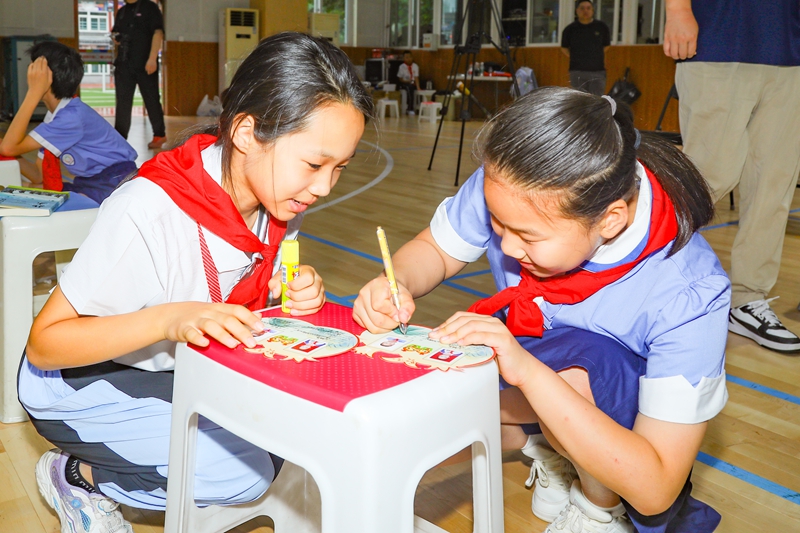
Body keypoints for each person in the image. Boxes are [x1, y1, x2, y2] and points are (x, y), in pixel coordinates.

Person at [19, 32, 373, 533]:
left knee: (302, 434)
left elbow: (249, 283)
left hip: (171, 368)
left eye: (339, 168)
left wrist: (292, 289)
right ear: (247, 132)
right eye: (314, 164)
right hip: (73, 379)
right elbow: (45, 345)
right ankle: (78, 475)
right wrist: (170, 318)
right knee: (242, 471)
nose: (323, 187)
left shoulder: (274, 198)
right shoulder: (149, 208)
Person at [354, 87, 729, 533]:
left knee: (580, 368)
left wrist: (527, 371)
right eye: (497, 223)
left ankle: (598, 507)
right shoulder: (518, 187)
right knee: (421, 409)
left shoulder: (690, 291)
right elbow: (436, 249)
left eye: (528, 238)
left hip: (612, 417)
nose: (507, 246)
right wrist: (395, 282)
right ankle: (553, 447)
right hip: (529, 361)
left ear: (610, 220)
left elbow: (656, 487)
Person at [663, 0, 800, 354]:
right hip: (717, 41)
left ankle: (747, 300)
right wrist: (677, 10)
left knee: (774, 186)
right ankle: (644, 279)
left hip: (789, 50)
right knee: (705, 179)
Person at [0, 42, 138, 203]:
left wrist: (34, 93)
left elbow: (9, 148)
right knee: (26, 188)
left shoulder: (71, 117)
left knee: (44, 199)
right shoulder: (57, 114)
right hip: (92, 180)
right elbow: (38, 175)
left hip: (115, 181)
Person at [112, 0, 167, 149]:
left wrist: (152, 58)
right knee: (123, 102)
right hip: (124, 64)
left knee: (151, 99)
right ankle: (120, 138)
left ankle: (159, 134)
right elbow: (116, 35)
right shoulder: (122, 11)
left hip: (145, 64)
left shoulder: (150, 7)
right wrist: (116, 39)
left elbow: (158, 32)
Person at [561, 0, 611, 96]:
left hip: (598, 71)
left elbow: (606, 46)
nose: (585, 11)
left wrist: (594, 54)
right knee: (579, 102)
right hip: (577, 72)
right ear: (577, 11)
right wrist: (576, 56)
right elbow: (564, 48)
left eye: (588, 8)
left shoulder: (602, 27)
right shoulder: (570, 29)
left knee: (597, 102)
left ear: (593, 11)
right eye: (582, 8)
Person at [396, 51, 420, 115]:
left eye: (410, 57)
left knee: (415, 87)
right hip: (405, 83)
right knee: (409, 88)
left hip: (413, 82)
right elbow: (400, 79)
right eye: (406, 57)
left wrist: (418, 87)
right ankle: (410, 108)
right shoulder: (402, 67)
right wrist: (408, 81)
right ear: (404, 58)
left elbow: (416, 77)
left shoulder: (415, 66)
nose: (408, 59)